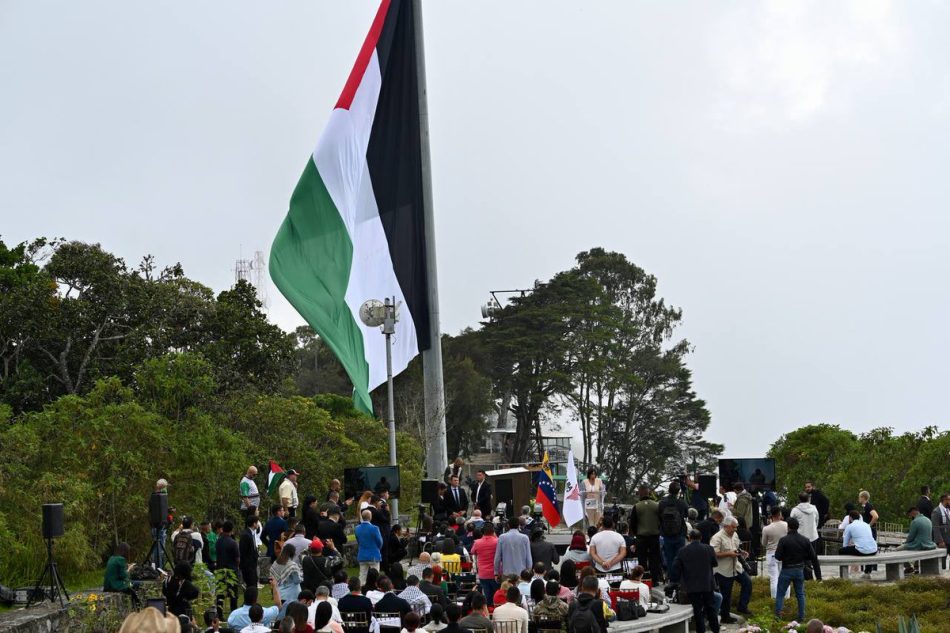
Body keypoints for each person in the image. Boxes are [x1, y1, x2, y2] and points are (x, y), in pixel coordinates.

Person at [774, 517, 821, 623]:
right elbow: (812, 555)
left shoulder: (783, 540)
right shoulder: (805, 540)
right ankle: (801, 617)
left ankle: (778, 617)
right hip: (799, 569)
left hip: (786, 570)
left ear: (788, 527)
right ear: (798, 527)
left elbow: (777, 556)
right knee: (800, 594)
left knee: (781, 593)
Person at [670, 530, 719, 633]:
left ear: (689, 538)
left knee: (697, 610)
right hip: (707, 584)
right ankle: (715, 630)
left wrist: (674, 581)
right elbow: (715, 563)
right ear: (700, 538)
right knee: (711, 608)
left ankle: (701, 631)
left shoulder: (683, 551)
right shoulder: (709, 549)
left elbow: (676, 568)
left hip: (691, 585)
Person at [710, 516, 751, 623]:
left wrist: (742, 552)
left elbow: (736, 547)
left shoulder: (735, 535)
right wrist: (728, 553)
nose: (735, 529)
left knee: (748, 583)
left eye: (736, 527)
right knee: (726, 594)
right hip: (723, 570)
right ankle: (725, 616)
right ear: (726, 526)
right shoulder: (717, 537)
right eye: (733, 527)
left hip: (736, 567)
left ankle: (742, 606)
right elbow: (713, 554)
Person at [630, 486, 662, 582]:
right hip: (654, 536)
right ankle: (655, 580)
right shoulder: (657, 505)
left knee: (642, 559)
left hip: (641, 537)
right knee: (654, 558)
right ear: (649, 493)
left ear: (640, 494)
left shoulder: (637, 506)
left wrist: (637, 533)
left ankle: (643, 579)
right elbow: (661, 520)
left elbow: (633, 523)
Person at [658, 482, 689, 578]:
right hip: (680, 533)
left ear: (669, 490)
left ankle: (671, 577)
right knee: (680, 557)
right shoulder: (681, 502)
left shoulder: (662, 503)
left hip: (666, 534)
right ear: (678, 491)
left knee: (669, 557)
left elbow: (659, 516)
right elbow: (687, 515)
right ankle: (679, 578)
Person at [789, 492, 821, 578]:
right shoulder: (814, 508)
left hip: (800, 538)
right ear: (808, 499)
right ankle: (819, 578)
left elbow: (791, 524)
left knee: (802, 559)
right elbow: (817, 521)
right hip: (813, 536)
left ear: (799, 499)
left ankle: (808, 578)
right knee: (814, 559)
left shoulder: (795, 510)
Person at [761, 507, 789, 599]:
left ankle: (774, 599)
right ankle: (786, 597)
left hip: (771, 554)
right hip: (785, 553)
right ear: (780, 514)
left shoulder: (766, 528)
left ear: (771, 515)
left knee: (773, 578)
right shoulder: (786, 525)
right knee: (785, 577)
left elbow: (763, 543)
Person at [469, 521, 498, 604]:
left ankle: (488, 611)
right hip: (495, 573)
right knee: (496, 595)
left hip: (483, 573)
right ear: (493, 531)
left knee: (487, 596)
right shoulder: (497, 541)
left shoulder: (477, 542)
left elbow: (472, 551)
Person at [215, 520, 241, 612]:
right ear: (231, 530)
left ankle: (219, 613)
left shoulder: (218, 541)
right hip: (231, 570)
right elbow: (237, 559)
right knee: (233, 594)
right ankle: (233, 611)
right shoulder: (233, 543)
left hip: (220, 569)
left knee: (220, 593)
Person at [356, 509, 383, 585]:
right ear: (370, 517)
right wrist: (377, 549)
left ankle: (360, 590)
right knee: (376, 575)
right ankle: (375, 590)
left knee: (362, 575)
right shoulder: (374, 528)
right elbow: (380, 542)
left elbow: (358, 541)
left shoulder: (357, 528)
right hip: (373, 554)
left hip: (362, 554)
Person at [151, 478, 171, 569]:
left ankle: (159, 566)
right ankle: (159, 568)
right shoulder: (157, 497)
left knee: (158, 547)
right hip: (159, 526)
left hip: (158, 525)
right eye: (165, 487)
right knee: (159, 548)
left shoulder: (156, 496)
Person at [240, 515, 261, 588]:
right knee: (251, 585)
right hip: (248, 566)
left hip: (252, 564)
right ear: (254, 524)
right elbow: (243, 552)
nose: (258, 525)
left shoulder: (250, 533)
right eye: (257, 523)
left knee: (253, 583)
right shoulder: (246, 535)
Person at [932, 493, 950, 569]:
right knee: (943, 560)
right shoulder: (936, 511)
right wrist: (940, 541)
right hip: (943, 540)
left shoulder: (948, 510)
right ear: (945, 500)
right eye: (949, 499)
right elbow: (936, 527)